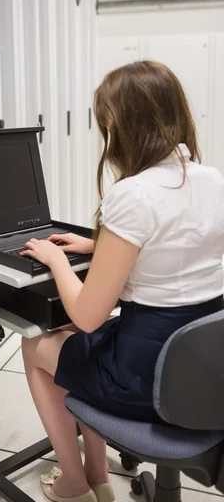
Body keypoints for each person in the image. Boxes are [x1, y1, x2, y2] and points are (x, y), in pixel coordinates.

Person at [20, 61, 224, 502]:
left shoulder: (132, 195)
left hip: (149, 381)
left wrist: (56, 258)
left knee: (36, 344)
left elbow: (90, 316)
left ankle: (76, 481)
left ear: (123, 127)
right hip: (206, 371)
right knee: (74, 340)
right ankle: (97, 472)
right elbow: (181, 239)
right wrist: (101, 244)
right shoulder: (212, 180)